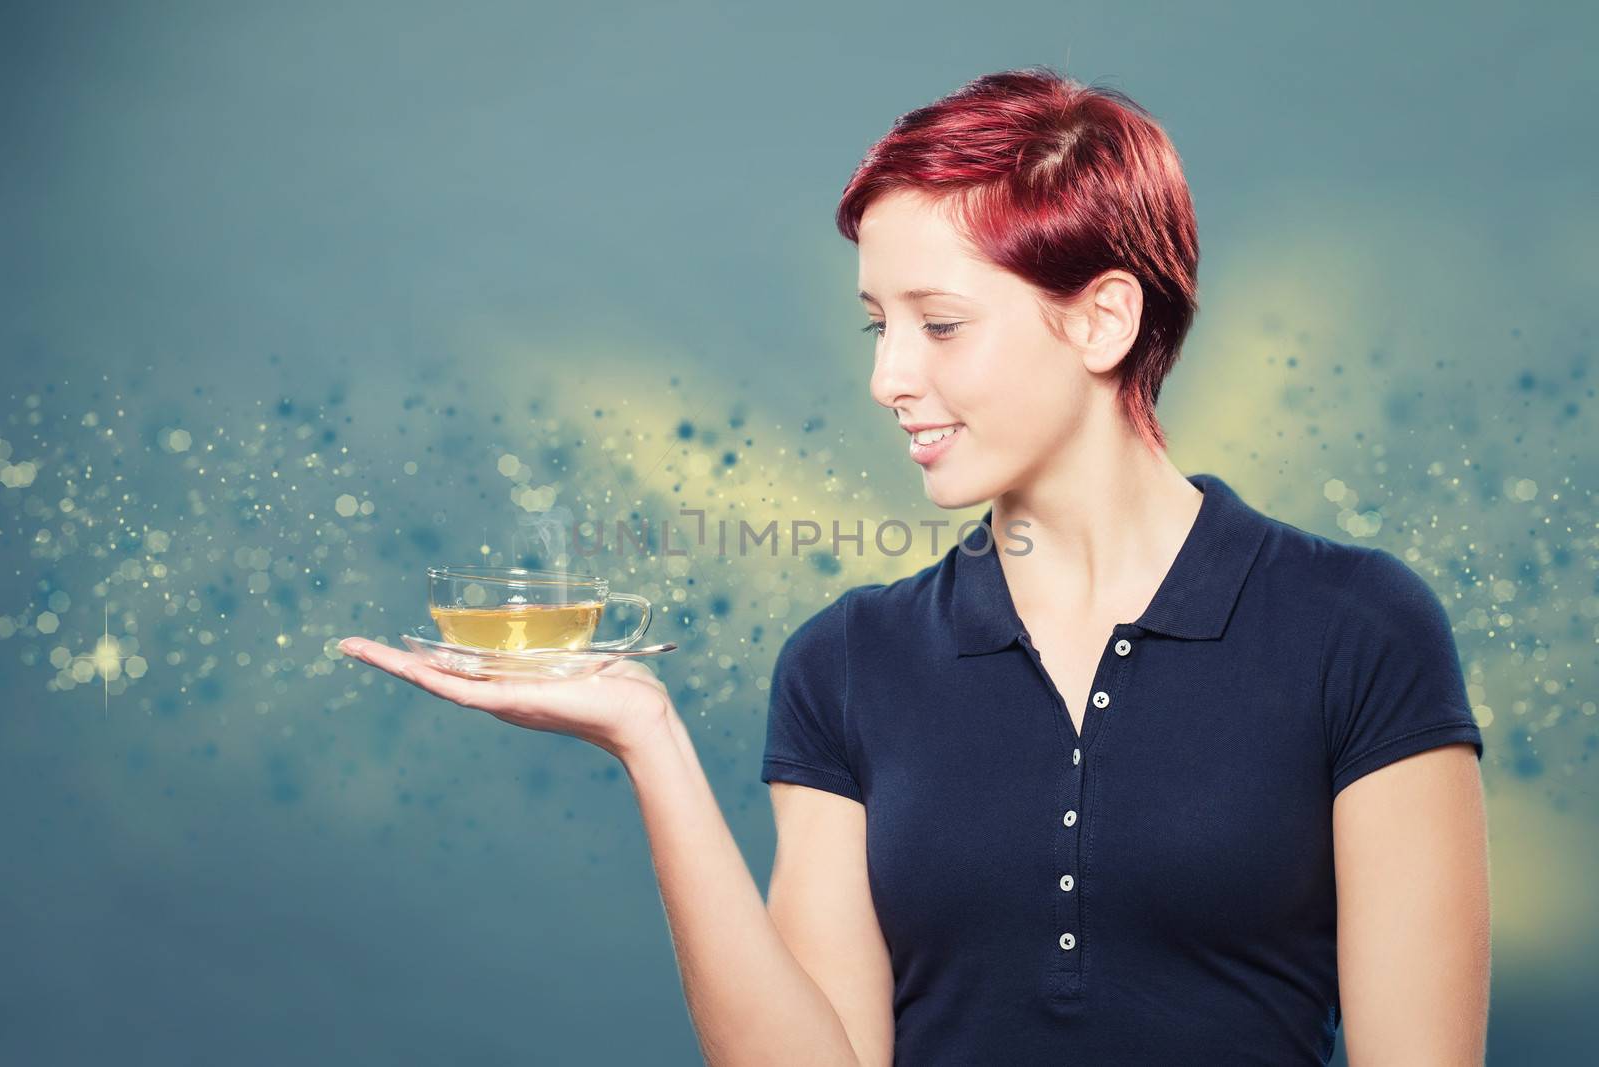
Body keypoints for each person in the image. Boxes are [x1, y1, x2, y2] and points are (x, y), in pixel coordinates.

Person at [338, 66, 1489, 1066]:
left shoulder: (1358, 627)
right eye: (873, 324)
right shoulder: (847, 660)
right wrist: (651, 744)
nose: (887, 378)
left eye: (937, 324)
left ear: (1100, 320)